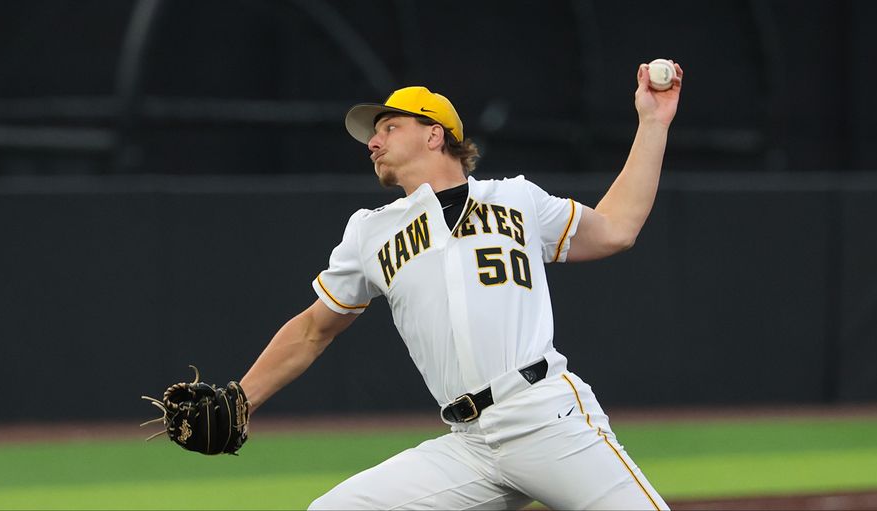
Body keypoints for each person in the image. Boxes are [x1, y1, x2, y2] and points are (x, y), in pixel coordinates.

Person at [238, 61, 682, 510]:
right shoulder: (369, 232)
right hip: (469, 445)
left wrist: (652, 122)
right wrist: (242, 399)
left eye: (389, 127)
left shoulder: (515, 198)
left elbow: (615, 228)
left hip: (545, 416)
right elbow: (314, 328)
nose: (373, 142)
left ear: (434, 135)